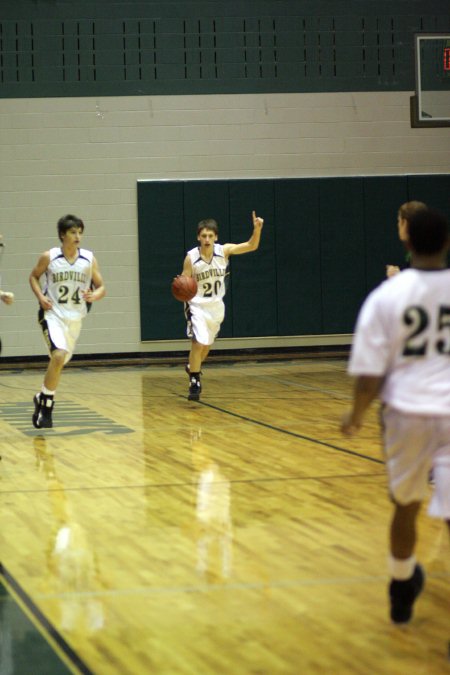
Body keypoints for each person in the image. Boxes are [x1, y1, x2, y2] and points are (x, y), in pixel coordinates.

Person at [341, 206, 450, 624]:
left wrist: (355, 413)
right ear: (444, 243)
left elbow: (370, 372)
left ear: (407, 241)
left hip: (407, 413)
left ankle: (401, 583)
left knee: (405, 506)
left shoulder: (387, 295)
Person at [29, 215, 106, 429]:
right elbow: (33, 276)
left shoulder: (89, 259)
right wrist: (40, 297)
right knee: (58, 355)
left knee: (61, 361)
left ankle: (41, 397)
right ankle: (47, 407)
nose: (77, 236)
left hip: (75, 318)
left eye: (80, 232)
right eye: (73, 232)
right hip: (52, 315)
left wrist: (95, 295)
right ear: (63, 235)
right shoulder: (50, 257)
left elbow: (101, 287)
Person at [179, 210, 263, 401]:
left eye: (210, 236)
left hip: (216, 306)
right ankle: (195, 381)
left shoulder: (223, 251)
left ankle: (193, 366)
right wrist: (181, 286)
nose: (207, 239)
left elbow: (251, 245)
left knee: (207, 345)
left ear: (216, 237)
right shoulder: (191, 258)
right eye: (203, 236)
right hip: (197, 306)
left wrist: (257, 229)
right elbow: (184, 282)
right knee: (197, 342)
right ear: (198, 237)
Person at [386, 200, 426, 278]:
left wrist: (398, 278)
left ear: (405, 223)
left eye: (399, 221)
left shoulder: (423, 251)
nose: (398, 225)